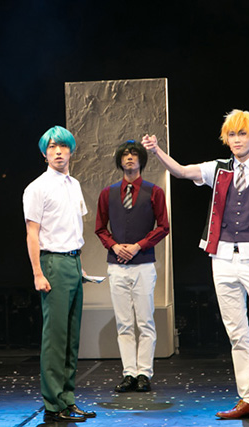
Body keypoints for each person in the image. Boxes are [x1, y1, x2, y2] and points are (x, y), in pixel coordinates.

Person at [142, 110, 249, 422]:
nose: (237, 140)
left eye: (242, 134)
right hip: (223, 259)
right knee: (237, 333)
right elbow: (181, 172)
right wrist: (157, 150)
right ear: (226, 139)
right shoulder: (218, 168)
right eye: (232, 135)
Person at [23, 126, 96, 423]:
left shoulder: (74, 184)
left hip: (73, 262)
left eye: (62, 146)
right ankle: (54, 404)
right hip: (52, 263)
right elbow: (32, 233)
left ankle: (68, 398)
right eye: (52, 147)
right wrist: (38, 273)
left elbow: (74, 227)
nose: (57, 151)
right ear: (44, 153)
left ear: (71, 151)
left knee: (71, 338)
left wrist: (80, 265)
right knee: (55, 338)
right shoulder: (37, 188)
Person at [95, 140, 169, 393]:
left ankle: (144, 373)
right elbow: (100, 228)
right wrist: (114, 246)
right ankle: (129, 372)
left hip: (143, 264)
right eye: (125, 155)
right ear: (119, 161)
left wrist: (139, 246)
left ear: (141, 160)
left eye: (134, 154)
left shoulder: (154, 191)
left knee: (145, 321)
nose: (129, 158)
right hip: (117, 265)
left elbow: (163, 226)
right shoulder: (108, 193)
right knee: (124, 323)